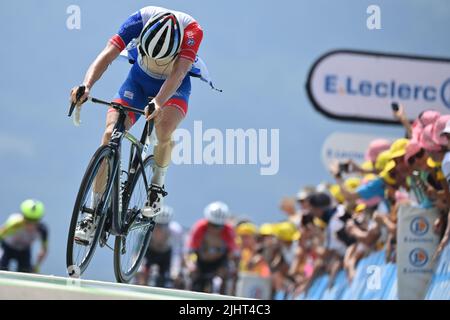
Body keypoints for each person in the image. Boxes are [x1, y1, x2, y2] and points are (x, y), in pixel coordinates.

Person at [70, 6, 205, 244]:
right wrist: (86, 85)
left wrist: (158, 103)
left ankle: (156, 186)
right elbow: (108, 54)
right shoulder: (140, 18)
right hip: (138, 81)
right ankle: (91, 214)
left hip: (173, 88)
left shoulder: (192, 31)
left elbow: (179, 74)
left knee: (164, 129)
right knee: (110, 134)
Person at [185, 201, 239, 294]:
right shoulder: (199, 228)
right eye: (212, 225)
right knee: (192, 274)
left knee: (227, 274)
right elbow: (189, 251)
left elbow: (234, 253)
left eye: (218, 226)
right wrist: (191, 264)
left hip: (219, 262)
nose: (215, 229)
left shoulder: (228, 230)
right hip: (201, 261)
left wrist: (230, 268)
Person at [135, 206, 184, 287]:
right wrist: (139, 268)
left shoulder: (176, 231)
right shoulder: (144, 230)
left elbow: (176, 253)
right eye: (157, 225)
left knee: (174, 278)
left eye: (164, 226)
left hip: (166, 255)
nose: (160, 230)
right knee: (140, 274)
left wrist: (175, 270)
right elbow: (137, 252)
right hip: (148, 253)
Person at [0, 199, 48, 273]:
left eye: (35, 221)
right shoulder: (15, 223)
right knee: (2, 268)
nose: (31, 225)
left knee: (26, 272)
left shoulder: (42, 230)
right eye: (28, 220)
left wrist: (37, 266)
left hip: (24, 251)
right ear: (23, 216)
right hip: (7, 248)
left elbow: (43, 250)